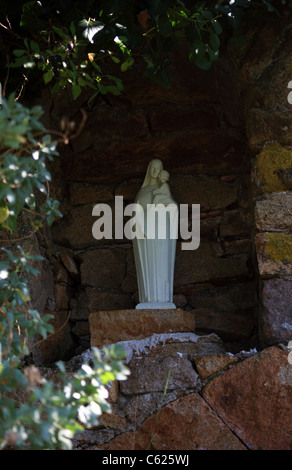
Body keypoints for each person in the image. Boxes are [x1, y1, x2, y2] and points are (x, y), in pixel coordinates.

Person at [132, 159, 177, 309]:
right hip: (145, 233)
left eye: (158, 169)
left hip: (161, 232)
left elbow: (173, 209)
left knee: (161, 262)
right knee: (147, 262)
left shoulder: (164, 188)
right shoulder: (143, 191)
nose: (154, 171)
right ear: (148, 169)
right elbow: (136, 211)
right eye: (152, 168)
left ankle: (163, 298)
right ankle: (148, 297)